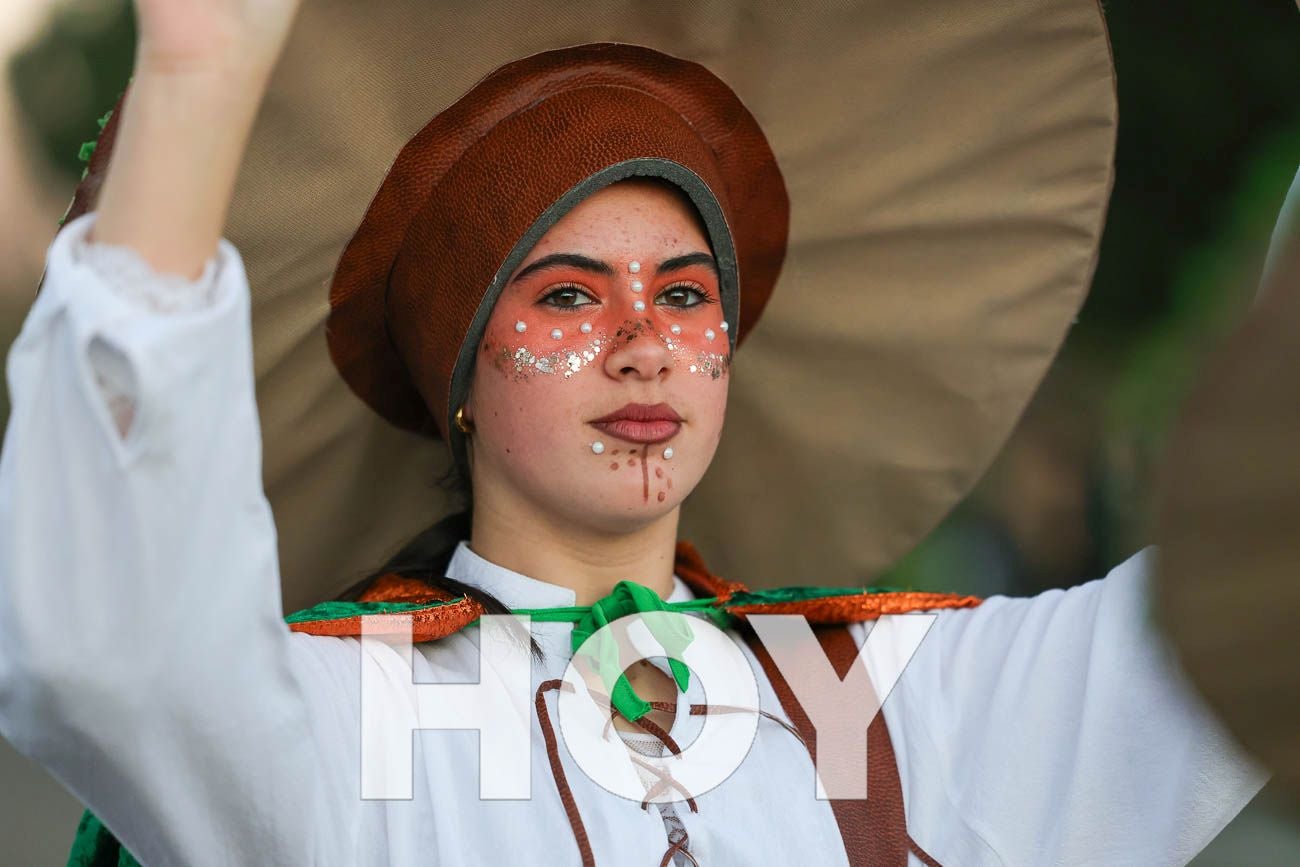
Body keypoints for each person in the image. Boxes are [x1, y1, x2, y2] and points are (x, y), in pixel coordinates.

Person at [0, 1, 1269, 865]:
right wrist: (198, 75)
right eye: (564, 294)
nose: (643, 338)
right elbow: (105, 649)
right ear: (461, 377)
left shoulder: (901, 706)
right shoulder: (346, 719)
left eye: (683, 293)